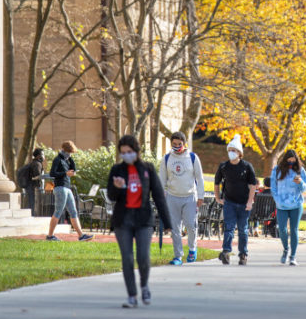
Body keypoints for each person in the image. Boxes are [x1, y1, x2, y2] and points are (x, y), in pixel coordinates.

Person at [108, 135, 172, 308]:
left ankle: (144, 286)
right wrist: (117, 187)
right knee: (127, 259)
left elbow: (159, 196)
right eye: (123, 153)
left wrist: (167, 223)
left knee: (143, 257)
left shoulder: (147, 169)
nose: (126, 155)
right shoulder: (117, 170)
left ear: (136, 151)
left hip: (143, 219)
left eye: (129, 152)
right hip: (123, 220)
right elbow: (111, 196)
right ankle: (131, 296)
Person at [159, 131, 204, 265]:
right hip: (172, 198)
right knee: (175, 229)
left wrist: (200, 196)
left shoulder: (192, 157)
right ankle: (178, 256)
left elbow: (200, 178)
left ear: (184, 144)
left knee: (191, 225)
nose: (177, 146)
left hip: (190, 197)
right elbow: (162, 179)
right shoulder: (167, 159)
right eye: (174, 144)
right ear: (171, 144)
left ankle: (192, 249)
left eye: (179, 144)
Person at [214, 135, 257, 266]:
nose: (231, 153)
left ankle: (243, 254)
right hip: (229, 203)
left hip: (244, 204)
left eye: (234, 150)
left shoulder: (247, 167)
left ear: (240, 153)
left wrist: (250, 202)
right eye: (230, 150)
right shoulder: (223, 167)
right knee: (229, 228)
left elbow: (253, 186)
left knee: (243, 230)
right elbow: (217, 183)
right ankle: (226, 252)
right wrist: (217, 198)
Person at [46, 141, 93, 242]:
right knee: (58, 211)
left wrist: (71, 159)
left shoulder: (67, 160)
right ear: (64, 150)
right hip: (60, 188)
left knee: (73, 211)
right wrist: (65, 173)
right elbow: (52, 173)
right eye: (69, 152)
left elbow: (74, 170)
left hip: (67, 188)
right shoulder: (57, 159)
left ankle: (81, 236)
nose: (70, 154)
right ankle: (50, 236)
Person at [270, 149, 306, 266]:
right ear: (285, 159)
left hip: (296, 205)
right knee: (281, 229)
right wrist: (277, 199)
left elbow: (305, 188)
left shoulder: (300, 170)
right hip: (281, 205)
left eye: (293, 160)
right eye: (289, 160)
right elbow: (273, 186)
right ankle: (286, 249)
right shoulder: (277, 170)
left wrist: (300, 182)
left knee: (294, 230)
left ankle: (293, 256)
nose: (291, 162)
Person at [20, 149, 45, 216]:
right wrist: (39, 184)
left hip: (30, 186)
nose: (44, 156)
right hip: (33, 186)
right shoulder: (37, 164)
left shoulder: (33, 163)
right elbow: (37, 176)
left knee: (31, 201)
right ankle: (32, 215)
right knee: (33, 202)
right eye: (42, 154)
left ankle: (30, 215)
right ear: (38, 156)